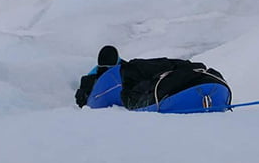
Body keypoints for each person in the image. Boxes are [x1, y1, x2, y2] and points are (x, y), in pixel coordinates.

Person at [75, 45, 233, 114]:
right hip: (217, 88)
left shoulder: (118, 75)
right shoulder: (133, 68)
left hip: (175, 88)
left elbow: (96, 100)